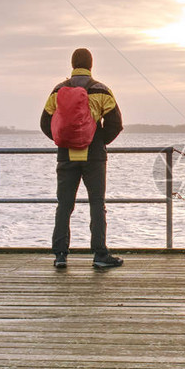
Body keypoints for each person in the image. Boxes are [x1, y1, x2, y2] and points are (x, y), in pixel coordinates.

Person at [40, 48, 124, 268]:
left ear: (72, 64)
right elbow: (116, 124)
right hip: (94, 155)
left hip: (66, 154)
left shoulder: (58, 90)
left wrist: (62, 139)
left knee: (64, 205)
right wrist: (98, 141)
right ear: (91, 65)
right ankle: (99, 254)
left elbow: (44, 123)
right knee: (97, 204)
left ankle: (60, 255)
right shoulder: (101, 90)